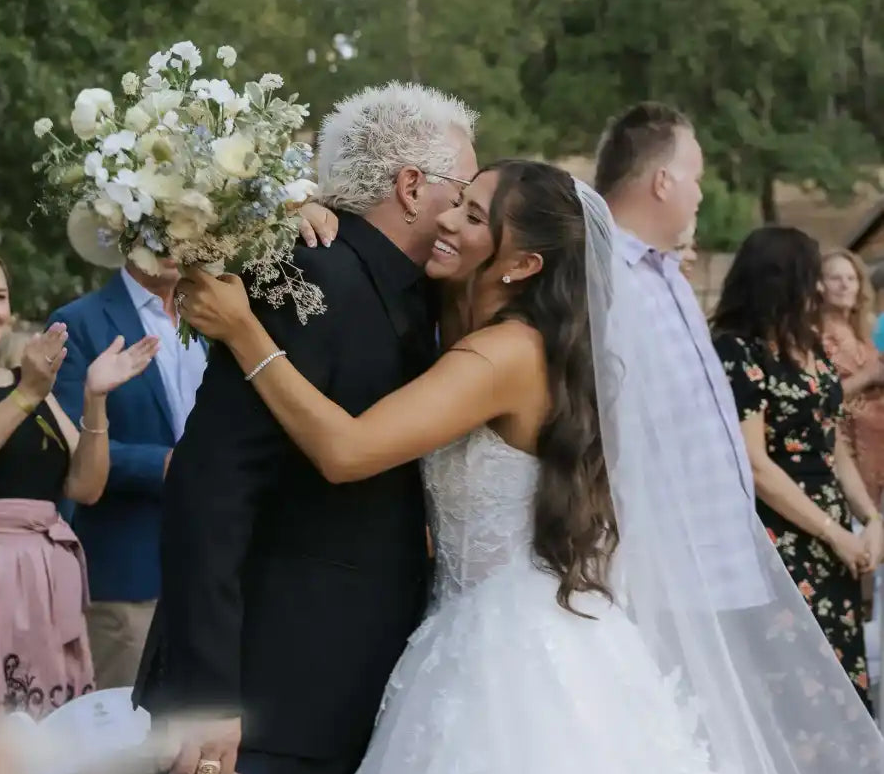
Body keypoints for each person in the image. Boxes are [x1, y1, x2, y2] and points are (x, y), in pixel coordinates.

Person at [178, 158, 883, 773]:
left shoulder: (504, 355)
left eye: (472, 215)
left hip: (509, 652)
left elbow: (347, 452)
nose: (447, 220)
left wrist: (245, 332)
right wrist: (305, 212)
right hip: (493, 621)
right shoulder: (491, 330)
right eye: (457, 201)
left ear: (521, 265)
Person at [133, 82, 479, 774]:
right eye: (464, 193)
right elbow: (211, 489)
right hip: (269, 696)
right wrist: (206, 691)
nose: (465, 216)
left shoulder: (434, 296)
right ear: (412, 187)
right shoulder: (306, 275)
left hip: (360, 689)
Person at [711, 227, 884, 708]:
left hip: (832, 531)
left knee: (842, 681)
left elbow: (832, 441)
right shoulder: (737, 350)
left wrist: (869, 518)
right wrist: (834, 532)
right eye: (812, 275)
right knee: (793, 687)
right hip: (779, 533)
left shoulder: (808, 342)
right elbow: (755, 464)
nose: (820, 287)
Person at [48, 256, 206, 690]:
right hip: (128, 573)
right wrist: (163, 465)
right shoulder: (77, 322)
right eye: (159, 225)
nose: (173, 241)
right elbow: (67, 446)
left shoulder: (209, 318)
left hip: (211, 569)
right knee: (123, 723)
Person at [1, 312, 157, 719]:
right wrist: (26, 395)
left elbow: (86, 487)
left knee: (50, 727)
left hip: (46, 580)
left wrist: (95, 399)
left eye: (0, 297)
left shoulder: (32, 385)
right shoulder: (31, 388)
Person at [820, 249, 884, 504]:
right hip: (842, 453)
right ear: (818, 285)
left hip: (876, 451)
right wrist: (868, 376)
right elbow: (816, 396)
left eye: (851, 278)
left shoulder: (864, 331)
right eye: (835, 278)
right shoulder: (813, 334)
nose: (845, 285)